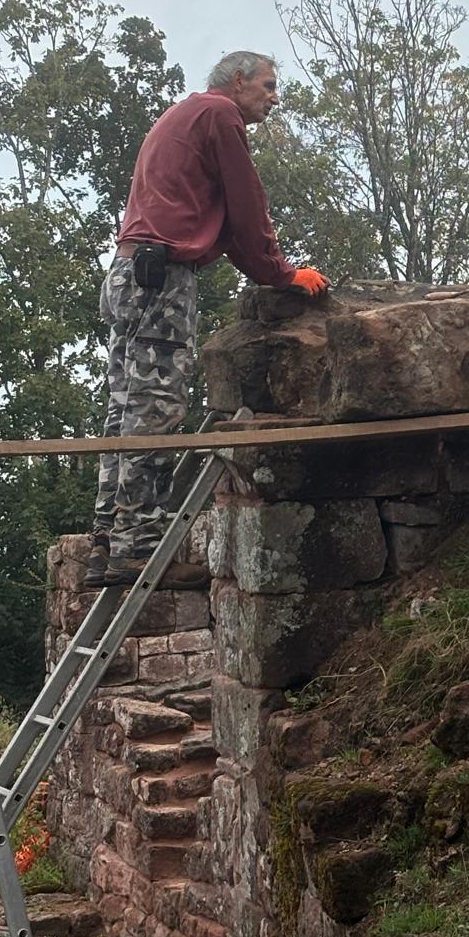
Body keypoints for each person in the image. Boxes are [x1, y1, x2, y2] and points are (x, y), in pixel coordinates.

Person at [86, 51, 329, 589]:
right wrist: (280, 273)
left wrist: (266, 268)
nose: (275, 98)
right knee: (155, 406)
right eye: (268, 86)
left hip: (129, 272)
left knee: (126, 405)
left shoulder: (185, 113)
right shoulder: (220, 115)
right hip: (161, 277)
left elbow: (227, 214)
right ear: (238, 80)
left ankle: (106, 542)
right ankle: (137, 550)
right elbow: (246, 205)